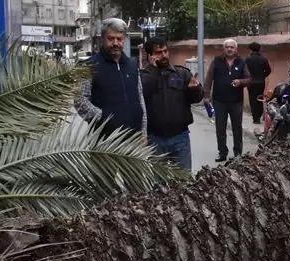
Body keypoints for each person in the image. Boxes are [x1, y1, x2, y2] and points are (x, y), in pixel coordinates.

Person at [75, 17, 145, 138]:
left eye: (119, 39)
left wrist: (143, 133)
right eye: (111, 38)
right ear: (102, 39)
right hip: (105, 143)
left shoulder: (132, 65)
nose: (115, 43)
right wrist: (103, 118)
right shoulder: (89, 66)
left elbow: (141, 100)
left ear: (124, 40)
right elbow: (80, 101)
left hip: (134, 140)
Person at [141, 37, 202, 171]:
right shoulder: (143, 76)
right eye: (158, 52)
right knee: (158, 185)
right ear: (150, 56)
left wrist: (195, 88)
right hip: (155, 139)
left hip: (180, 137)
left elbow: (196, 99)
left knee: (184, 180)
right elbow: (143, 91)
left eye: (165, 51)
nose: (163, 55)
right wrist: (152, 70)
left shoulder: (182, 73)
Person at [203, 38, 249, 162]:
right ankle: (222, 152)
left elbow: (249, 79)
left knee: (237, 128)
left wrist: (240, 82)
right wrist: (206, 96)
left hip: (236, 101)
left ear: (236, 49)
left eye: (231, 47)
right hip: (219, 101)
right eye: (227, 47)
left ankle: (238, 153)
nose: (229, 49)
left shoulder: (241, 62)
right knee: (220, 128)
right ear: (223, 49)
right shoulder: (216, 61)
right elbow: (208, 79)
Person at [245, 41, 272, 126]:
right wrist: (262, 76)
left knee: (252, 99)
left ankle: (255, 118)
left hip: (250, 82)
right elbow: (268, 70)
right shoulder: (263, 59)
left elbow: (244, 70)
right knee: (259, 98)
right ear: (259, 49)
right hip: (260, 82)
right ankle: (259, 115)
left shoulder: (247, 59)